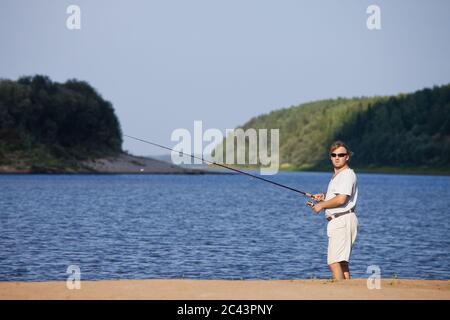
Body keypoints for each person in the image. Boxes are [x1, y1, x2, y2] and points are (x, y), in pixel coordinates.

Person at [306, 141, 359, 280]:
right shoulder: (338, 175)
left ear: (347, 157)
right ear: (330, 157)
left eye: (341, 155)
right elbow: (337, 196)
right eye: (334, 155)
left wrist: (321, 205)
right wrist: (324, 197)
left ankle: (339, 293)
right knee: (342, 263)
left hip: (342, 220)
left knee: (333, 262)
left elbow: (342, 199)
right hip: (341, 220)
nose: (337, 157)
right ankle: (348, 292)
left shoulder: (347, 174)